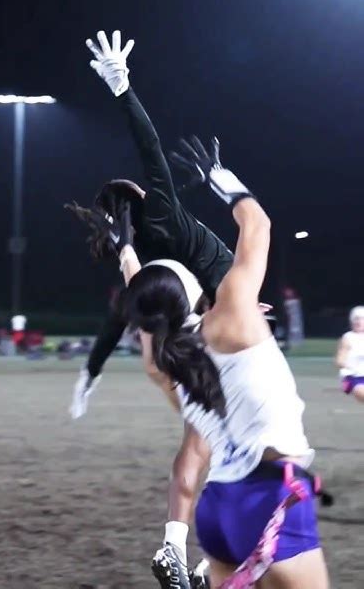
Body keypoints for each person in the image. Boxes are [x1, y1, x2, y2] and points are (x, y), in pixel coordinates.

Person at [119, 137, 329, 589]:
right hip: (270, 497)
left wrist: (126, 248)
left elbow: (145, 301)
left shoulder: (162, 363)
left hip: (217, 510)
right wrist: (221, 177)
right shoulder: (233, 314)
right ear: (191, 289)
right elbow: (258, 225)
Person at [67, 30, 235, 419]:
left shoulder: (134, 245)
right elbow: (150, 146)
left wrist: (90, 372)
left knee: (137, 323)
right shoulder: (157, 206)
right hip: (223, 282)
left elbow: (117, 317)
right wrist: (122, 88)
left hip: (206, 295)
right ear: (137, 194)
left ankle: (92, 378)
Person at [336, 306, 364, 402]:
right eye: (356, 319)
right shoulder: (348, 337)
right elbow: (339, 361)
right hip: (351, 378)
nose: (358, 322)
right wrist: (351, 367)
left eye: (362, 318)